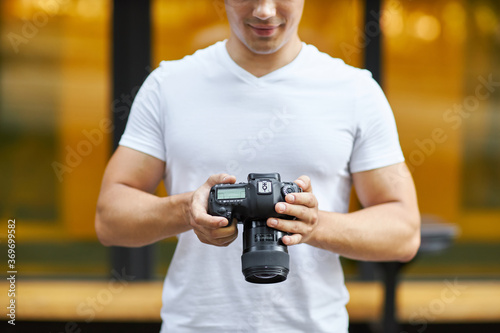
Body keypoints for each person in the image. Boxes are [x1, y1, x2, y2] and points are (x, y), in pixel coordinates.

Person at [95, 0, 420, 332]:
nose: (264, 11)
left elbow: (404, 232)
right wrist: (187, 210)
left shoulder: (355, 91)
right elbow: (110, 218)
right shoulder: (168, 85)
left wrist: (312, 225)